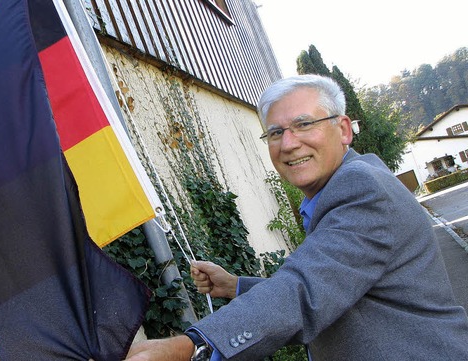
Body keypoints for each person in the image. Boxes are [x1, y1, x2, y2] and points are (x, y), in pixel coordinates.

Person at [124, 74, 468, 361]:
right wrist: (235, 286)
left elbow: (303, 292)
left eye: (304, 124)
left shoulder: (361, 187)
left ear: (344, 130)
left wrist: (193, 345)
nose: (288, 143)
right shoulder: (345, 184)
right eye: (275, 132)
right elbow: (333, 285)